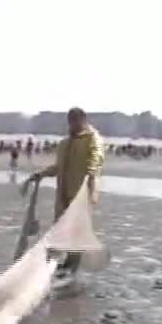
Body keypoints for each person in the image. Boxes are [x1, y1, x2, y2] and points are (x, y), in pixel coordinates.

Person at [26, 107, 104, 277]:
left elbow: (96, 158)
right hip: (63, 193)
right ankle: (59, 262)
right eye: (70, 121)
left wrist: (90, 174)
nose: (72, 124)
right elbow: (58, 167)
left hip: (82, 193)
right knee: (60, 228)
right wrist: (41, 174)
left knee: (77, 230)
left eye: (76, 120)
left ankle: (72, 266)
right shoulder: (65, 143)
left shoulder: (93, 139)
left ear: (83, 120)